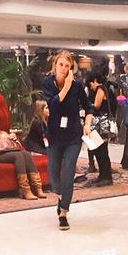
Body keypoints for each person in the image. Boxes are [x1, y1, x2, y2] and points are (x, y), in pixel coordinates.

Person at [42, 50, 93, 230]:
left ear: (71, 68)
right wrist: (66, 86)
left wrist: (87, 124)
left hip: (73, 135)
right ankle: (61, 196)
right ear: (55, 66)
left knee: (68, 173)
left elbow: (88, 108)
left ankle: (64, 212)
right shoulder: (47, 83)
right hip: (54, 136)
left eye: (67, 66)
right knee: (54, 177)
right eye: (61, 65)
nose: (63, 69)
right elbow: (54, 104)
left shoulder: (77, 86)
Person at [85, 69, 114, 186]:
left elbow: (96, 105)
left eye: (91, 84)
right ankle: (103, 175)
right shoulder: (103, 88)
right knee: (99, 150)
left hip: (101, 124)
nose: (91, 87)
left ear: (95, 80)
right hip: (100, 123)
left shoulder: (101, 89)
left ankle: (106, 176)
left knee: (101, 150)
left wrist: (87, 106)